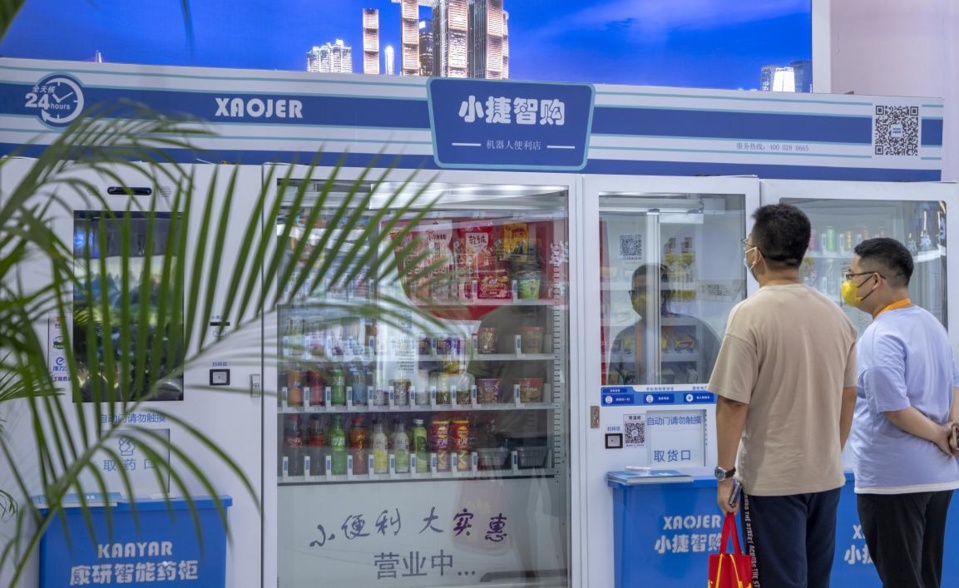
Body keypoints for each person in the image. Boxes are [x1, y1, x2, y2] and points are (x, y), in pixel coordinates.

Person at [708, 203, 858, 588]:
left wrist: (725, 476)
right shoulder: (836, 315)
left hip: (772, 482)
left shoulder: (749, 314)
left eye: (748, 243)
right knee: (815, 581)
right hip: (825, 479)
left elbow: (733, 402)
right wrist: (829, 454)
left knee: (778, 581)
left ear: (755, 253)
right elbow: (848, 397)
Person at [843, 237, 959, 588]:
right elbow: (954, 385)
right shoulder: (931, 323)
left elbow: (894, 408)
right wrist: (950, 430)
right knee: (926, 577)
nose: (848, 284)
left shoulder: (880, 335)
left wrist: (942, 434)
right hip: (939, 476)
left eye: (852, 275)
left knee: (902, 579)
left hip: (895, 479)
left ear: (874, 280)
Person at [609, 263, 720, 385]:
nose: (639, 297)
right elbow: (613, 385)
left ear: (665, 294)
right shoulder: (624, 336)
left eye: (646, 290)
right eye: (636, 292)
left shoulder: (696, 330)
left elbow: (722, 376)